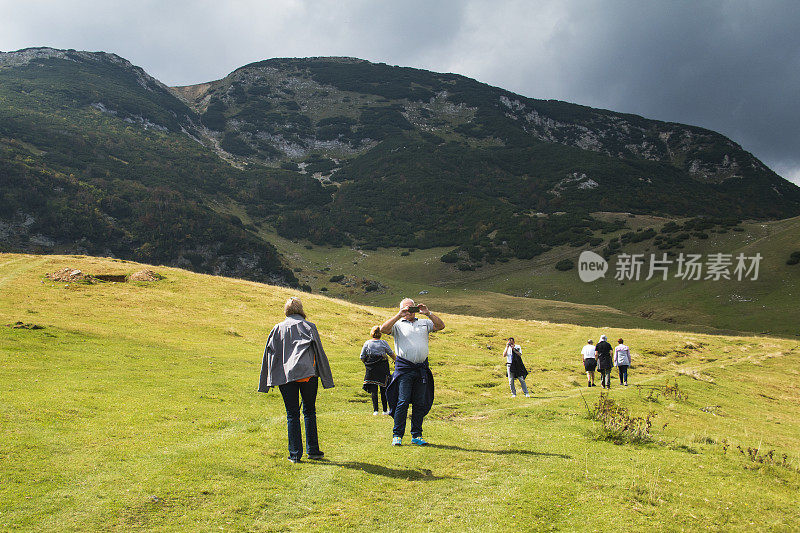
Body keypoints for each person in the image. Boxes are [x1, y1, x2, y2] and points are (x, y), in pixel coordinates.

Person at [258, 297, 334, 463]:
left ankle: (294, 455)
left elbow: (269, 354)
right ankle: (313, 450)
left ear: (286, 310)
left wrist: (267, 381)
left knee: (292, 414)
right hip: (308, 374)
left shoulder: (277, 328)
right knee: (309, 411)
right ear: (301, 309)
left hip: (285, 376)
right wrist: (326, 378)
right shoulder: (309, 326)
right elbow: (319, 352)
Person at [381, 298, 445, 446]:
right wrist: (399, 315)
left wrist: (428, 313)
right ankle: (397, 435)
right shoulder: (397, 325)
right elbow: (383, 329)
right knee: (402, 402)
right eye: (405, 308)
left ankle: (417, 435)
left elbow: (441, 326)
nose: (408, 311)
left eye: (410, 308)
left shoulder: (424, 322)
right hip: (405, 369)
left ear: (415, 309)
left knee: (419, 403)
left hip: (421, 368)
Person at [360, 325, 396, 415]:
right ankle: (384, 410)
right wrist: (396, 360)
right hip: (382, 368)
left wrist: (367, 364)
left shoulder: (367, 343)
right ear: (380, 334)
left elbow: (362, 356)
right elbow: (391, 353)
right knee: (383, 388)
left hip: (371, 368)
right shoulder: (383, 343)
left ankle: (375, 411)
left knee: (374, 390)